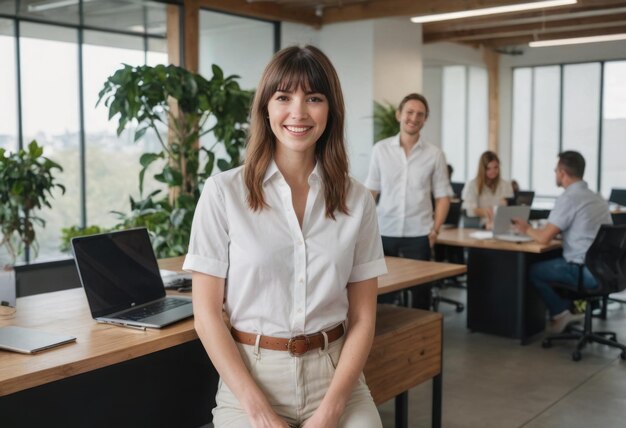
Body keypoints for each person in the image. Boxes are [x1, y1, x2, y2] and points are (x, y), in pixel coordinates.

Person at [183, 45, 387, 428]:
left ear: (330, 110)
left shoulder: (357, 198)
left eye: (314, 98)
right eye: (283, 97)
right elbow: (207, 316)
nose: (299, 112)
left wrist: (330, 410)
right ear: (266, 108)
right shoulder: (223, 193)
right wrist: (260, 413)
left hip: (336, 378)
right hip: (251, 381)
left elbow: (363, 318)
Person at [365, 93, 450, 309]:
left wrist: (436, 230)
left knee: (421, 293)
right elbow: (371, 192)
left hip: (419, 233)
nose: (414, 118)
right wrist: (363, 229)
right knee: (382, 291)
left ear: (425, 119)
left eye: (420, 114)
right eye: (409, 112)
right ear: (399, 115)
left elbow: (443, 197)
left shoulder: (435, 154)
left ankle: (421, 339)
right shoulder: (380, 150)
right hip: (385, 231)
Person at [512, 151, 611, 333]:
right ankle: (572, 309)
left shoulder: (569, 198)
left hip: (585, 271)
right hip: (608, 270)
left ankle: (561, 313)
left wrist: (525, 228)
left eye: (556, 170)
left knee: (534, 270)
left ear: (562, 173)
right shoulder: (598, 198)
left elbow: (543, 238)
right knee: (555, 259)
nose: (555, 173)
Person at [462, 150, 513, 228]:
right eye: (488, 169)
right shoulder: (471, 185)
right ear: (482, 169)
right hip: (480, 226)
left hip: (502, 226)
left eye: (495, 167)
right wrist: (485, 212)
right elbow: (470, 211)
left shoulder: (505, 185)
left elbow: (508, 208)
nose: (493, 171)